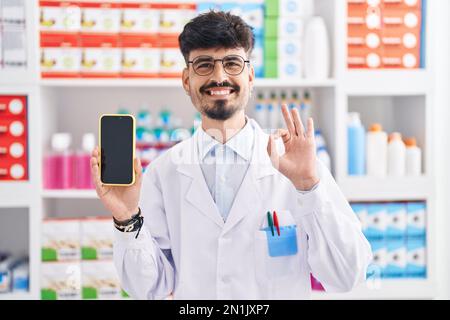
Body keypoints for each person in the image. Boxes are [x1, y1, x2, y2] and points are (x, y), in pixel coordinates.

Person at [90, 11, 372, 300]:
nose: (219, 76)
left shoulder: (297, 166)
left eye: (232, 63)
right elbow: (149, 288)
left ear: (250, 77)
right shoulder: (165, 172)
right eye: (204, 65)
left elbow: (347, 274)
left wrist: (309, 186)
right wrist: (126, 218)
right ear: (186, 80)